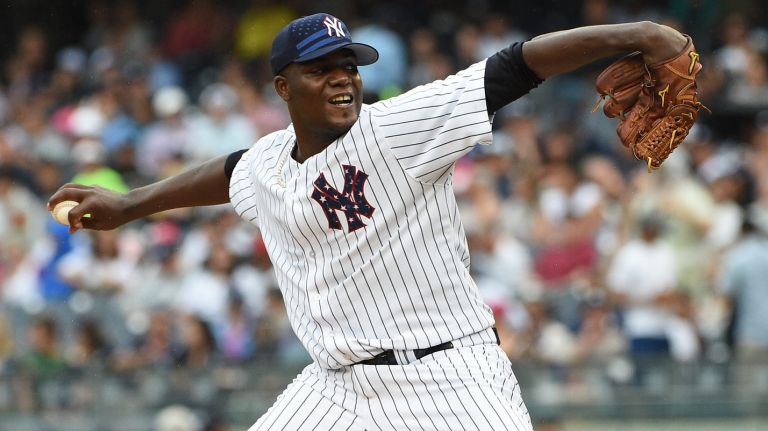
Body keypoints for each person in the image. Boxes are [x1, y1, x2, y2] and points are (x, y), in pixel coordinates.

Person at [49, 12, 691, 430]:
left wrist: (637, 35)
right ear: (283, 88)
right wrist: (131, 205)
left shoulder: (396, 130)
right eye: (321, 69)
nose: (342, 80)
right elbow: (229, 172)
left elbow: (512, 68)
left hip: (448, 379)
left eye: (349, 67)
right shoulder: (270, 161)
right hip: (338, 389)